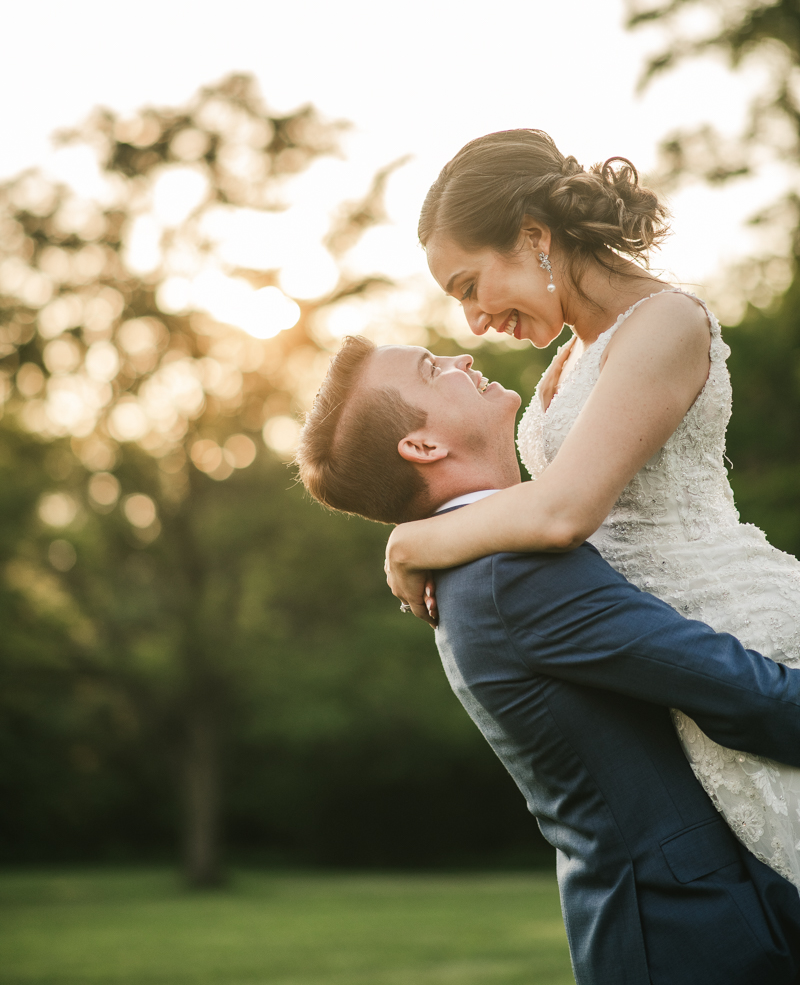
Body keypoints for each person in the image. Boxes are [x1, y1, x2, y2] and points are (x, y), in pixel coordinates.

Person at [295, 336, 800, 985]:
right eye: (432, 370)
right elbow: (742, 695)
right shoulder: (510, 572)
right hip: (690, 931)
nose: (461, 360)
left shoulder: (484, 559)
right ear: (422, 447)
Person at [384, 128, 800, 887]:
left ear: (535, 237)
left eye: (470, 285)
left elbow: (561, 512)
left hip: (743, 635)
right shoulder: (571, 356)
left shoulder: (665, 323)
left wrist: (409, 544)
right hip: (665, 653)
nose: (474, 322)